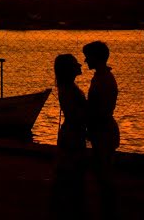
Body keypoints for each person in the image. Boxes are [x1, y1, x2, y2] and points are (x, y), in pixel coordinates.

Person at [83, 40, 120, 219]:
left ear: (96, 58)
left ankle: (108, 210)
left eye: (88, 57)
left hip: (103, 130)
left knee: (103, 172)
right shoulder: (102, 76)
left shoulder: (103, 80)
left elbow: (99, 108)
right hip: (102, 129)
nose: (85, 61)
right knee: (102, 171)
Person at [51, 53, 86, 219]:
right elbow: (75, 114)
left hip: (72, 132)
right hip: (72, 133)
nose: (80, 66)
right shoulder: (69, 90)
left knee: (68, 171)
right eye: (75, 64)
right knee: (71, 171)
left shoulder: (67, 88)